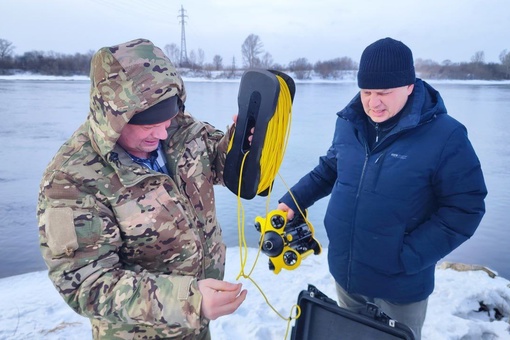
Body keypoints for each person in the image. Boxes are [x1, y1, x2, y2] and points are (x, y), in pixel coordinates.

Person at [37, 38, 247, 339]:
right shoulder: (70, 180)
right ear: (114, 118)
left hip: (197, 326)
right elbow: (86, 282)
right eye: (149, 125)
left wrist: (242, 143)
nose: (162, 132)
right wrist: (188, 301)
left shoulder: (179, 129)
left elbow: (220, 162)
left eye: (168, 119)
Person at [277, 37, 487, 339]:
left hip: (400, 287)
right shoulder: (350, 123)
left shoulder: (446, 135)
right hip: (347, 274)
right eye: (367, 91)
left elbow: (466, 208)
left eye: (384, 93)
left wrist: (408, 256)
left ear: (409, 86)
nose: (373, 102)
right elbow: (329, 169)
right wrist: (294, 200)